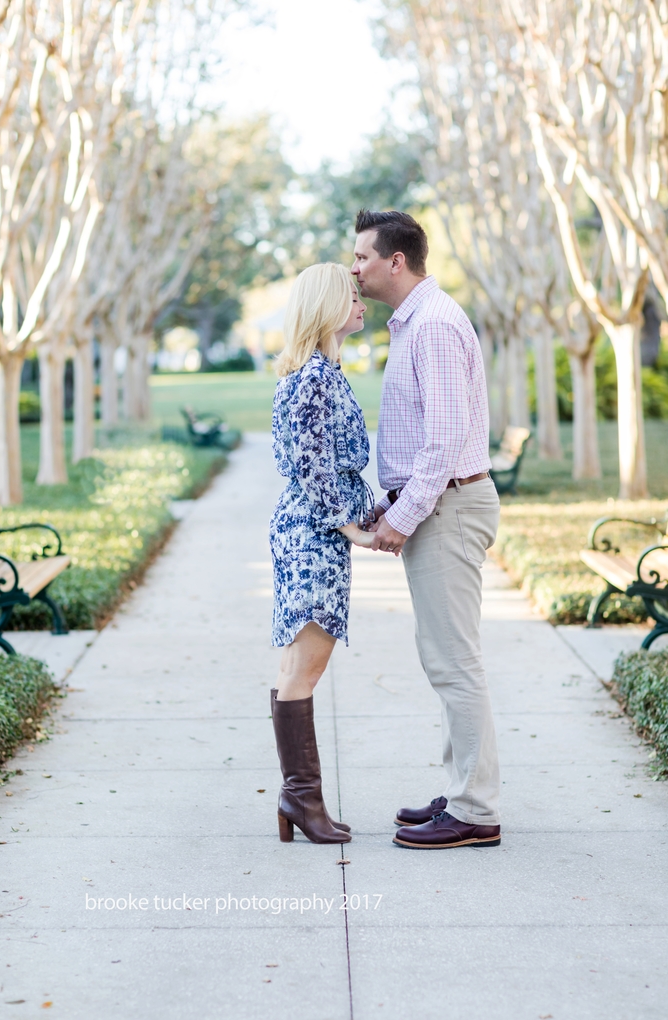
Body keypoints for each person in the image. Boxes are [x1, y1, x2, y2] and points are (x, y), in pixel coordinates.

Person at [352, 209, 502, 850]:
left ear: (396, 261)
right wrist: (393, 509)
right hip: (438, 507)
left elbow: (441, 445)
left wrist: (401, 521)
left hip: (449, 509)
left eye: (362, 256)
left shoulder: (434, 327)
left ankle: (475, 810)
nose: (353, 267)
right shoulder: (416, 323)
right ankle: (463, 788)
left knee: (454, 662)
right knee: (446, 658)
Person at [269, 262, 374, 845]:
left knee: (294, 668)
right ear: (328, 306)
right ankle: (300, 799)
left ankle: (300, 799)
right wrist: (348, 526)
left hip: (307, 528)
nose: (363, 303)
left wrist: (365, 511)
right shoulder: (314, 376)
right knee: (305, 669)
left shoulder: (322, 371)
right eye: (353, 295)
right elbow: (313, 462)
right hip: (314, 535)